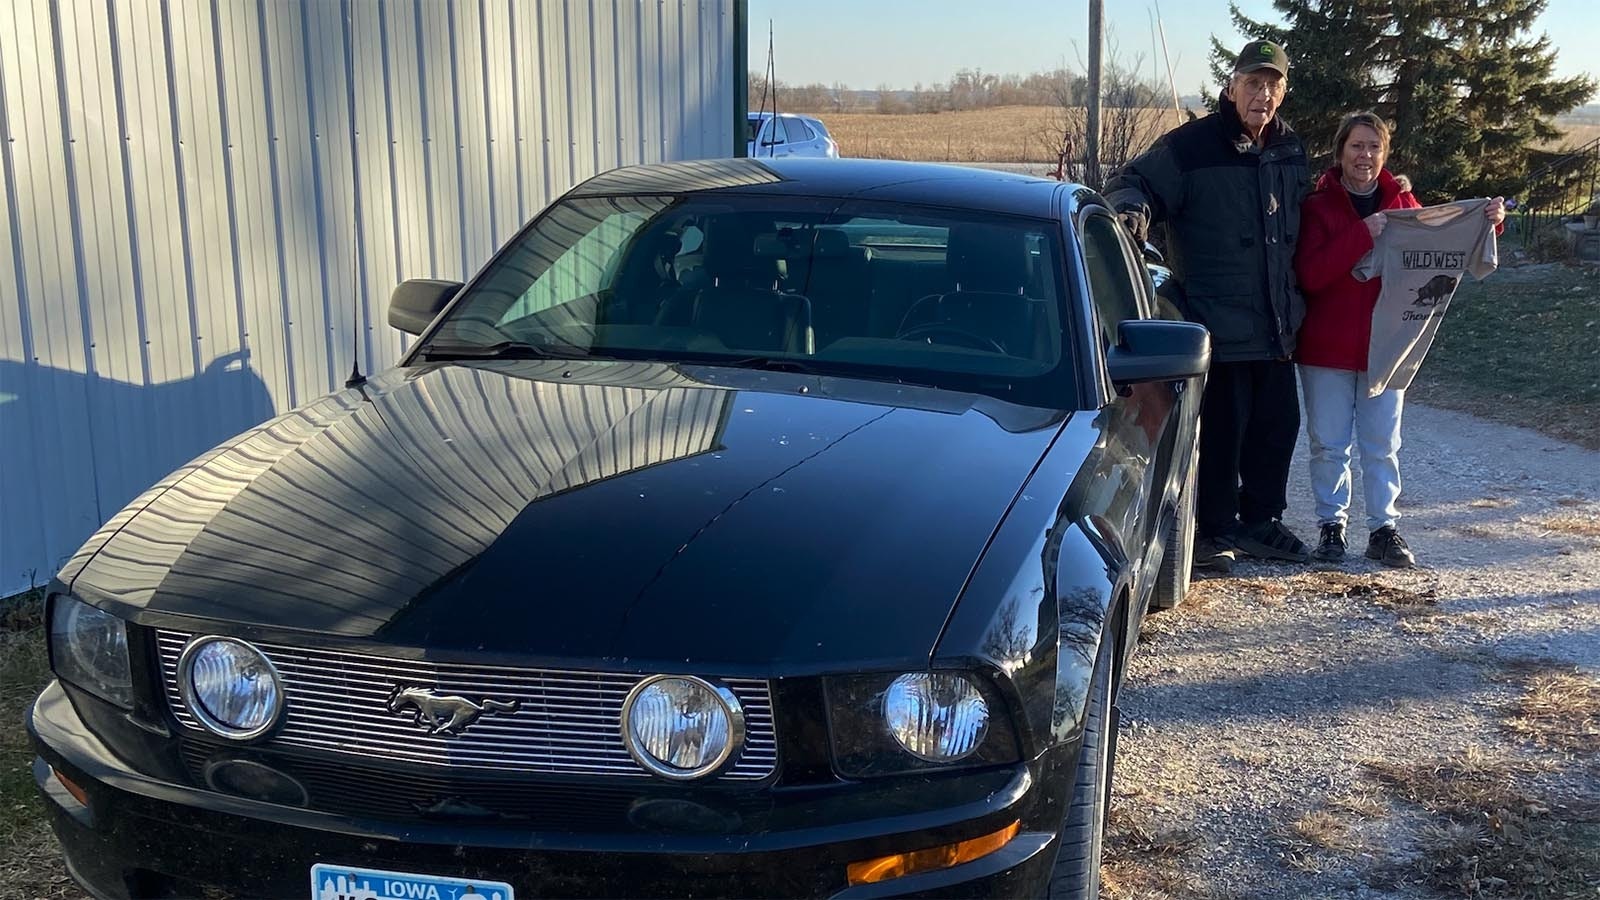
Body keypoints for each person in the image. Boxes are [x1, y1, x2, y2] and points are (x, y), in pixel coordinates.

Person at [1106, 39, 1311, 572]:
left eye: (1272, 85)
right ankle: (1212, 530)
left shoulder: (1291, 152)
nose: (1261, 94)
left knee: (1276, 426)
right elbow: (1131, 184)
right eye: (1252, 83)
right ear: (1231, 87)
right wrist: (1132, 213)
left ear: (1283, 92)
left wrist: (1391, 194)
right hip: (1215, 321)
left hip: (1276, 322)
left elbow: (1320, 209)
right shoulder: (1190, 148)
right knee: (1223, 428)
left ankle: (1261, 520)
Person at [1293, 111, 1505, 567]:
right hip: (1326, 348)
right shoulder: (1318, 206)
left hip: (1390, 345)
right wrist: (1361, 235)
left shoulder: (1405, 205)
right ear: (1340, 152)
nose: (1364, 155)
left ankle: (1383, 528)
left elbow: (1444, 239)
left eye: (1373, 147)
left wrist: (1489, 221)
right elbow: (1311, 275)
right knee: (1329, 443)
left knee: (1382, 442)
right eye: (1356, 146)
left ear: (1385, 154)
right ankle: (1332, 527)